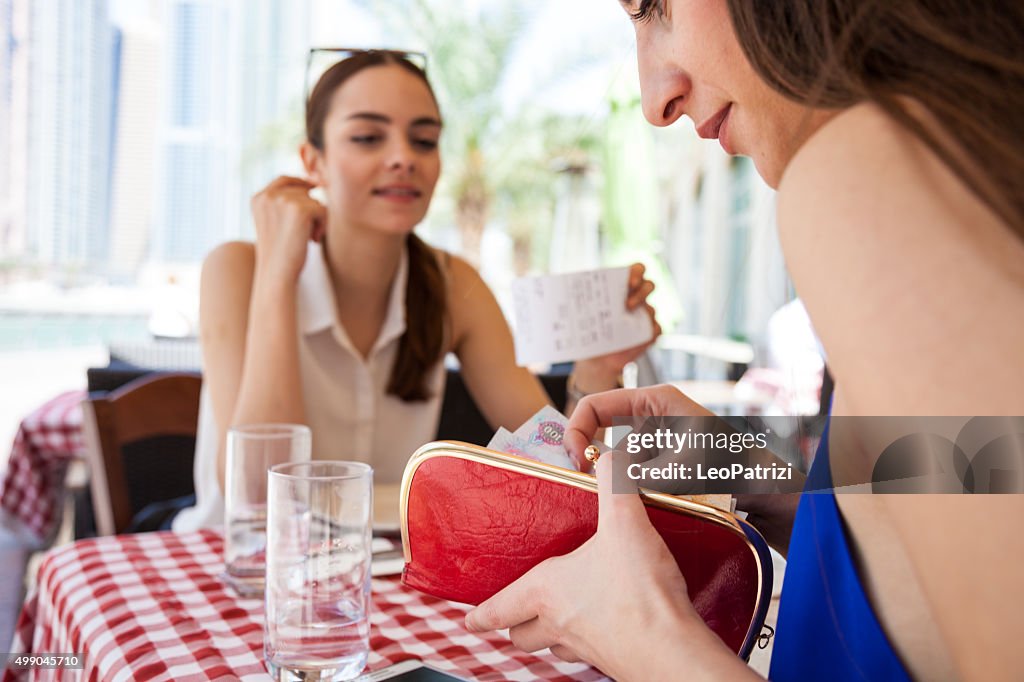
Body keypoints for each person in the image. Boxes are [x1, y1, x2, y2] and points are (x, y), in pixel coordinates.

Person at [465, 1, 1024, 679]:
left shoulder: (865, 170)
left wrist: (642, 635)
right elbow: (975, 490)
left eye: (653, 6)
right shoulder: (966, 155)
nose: (654, 101)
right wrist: (764, 477)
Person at [173, 50, 659, 531]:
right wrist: (279, 272)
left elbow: (554, 462)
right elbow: (259, 496)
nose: (403, 157)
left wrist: (598, 372)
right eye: (367, 137)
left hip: (378, 570)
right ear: (312, 161)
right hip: (232, 568)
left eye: (424, 140)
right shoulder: (239, 268)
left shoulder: (452, 285)